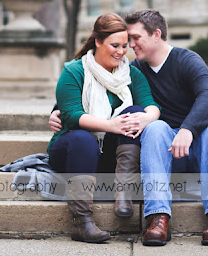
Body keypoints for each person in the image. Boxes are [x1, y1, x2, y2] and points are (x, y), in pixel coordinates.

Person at [50, 9, 208, 246]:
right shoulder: (136, 69)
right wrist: (55, 112)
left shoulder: (185, 60)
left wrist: (187, 130)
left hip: (197, 144)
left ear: (156, 34)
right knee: (155, 128)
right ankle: (158, 217)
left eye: (134, 39)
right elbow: (74, 100)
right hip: (163, 151)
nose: (128, 46)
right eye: (125, 40)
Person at [48, 13, 161, 243]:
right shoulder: (74, 72)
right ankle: (82, 222)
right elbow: (71, 114)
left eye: (124, 46)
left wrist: (145, 118)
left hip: (112, 156)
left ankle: (123, 194)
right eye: (114, 45)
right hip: (74, 152)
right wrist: (111, 125)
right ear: (97, 42)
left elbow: (152, 106)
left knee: (135, 112)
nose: (121, 52)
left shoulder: (131, 74)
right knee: (83, 138)